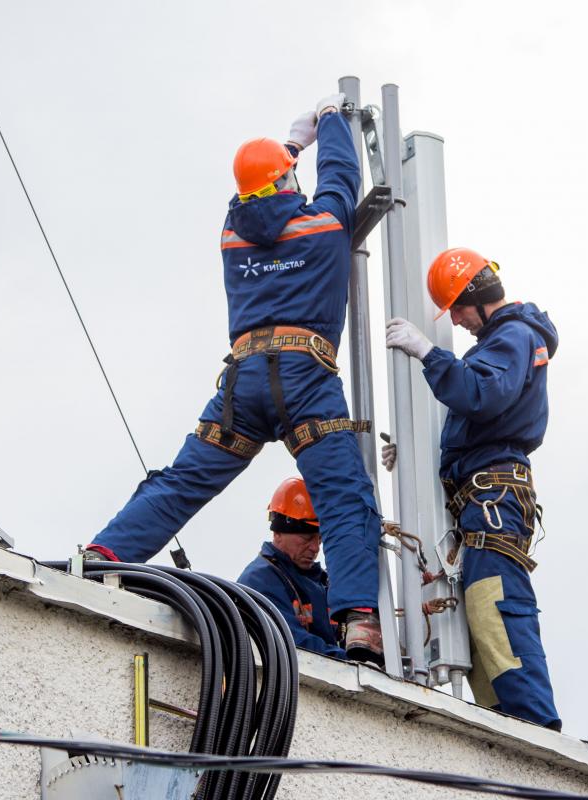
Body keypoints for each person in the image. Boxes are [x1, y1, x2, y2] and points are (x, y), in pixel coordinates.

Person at [85, 94, 384, 666]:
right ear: (289, 181)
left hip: (243, 383)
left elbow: (258, 194)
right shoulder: (322, 227)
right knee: (344, 500)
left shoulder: (233, 235)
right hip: (305, 377)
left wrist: (290, 144)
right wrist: (333, 124)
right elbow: (341, 179)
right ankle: (361, 624)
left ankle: (104, 555)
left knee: (182, 481)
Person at [383, 247, 561, 729]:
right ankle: (505, 722)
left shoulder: (512, 337)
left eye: (457, 310)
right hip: (482, 495)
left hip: (494, 497)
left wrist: (429, 353)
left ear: (474, 297)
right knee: (481, 611)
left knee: (495, 601)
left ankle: (533, 726)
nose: (457, 322)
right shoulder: (506, 341)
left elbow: (480, 394)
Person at [237, 477, 345, 659]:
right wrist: (353, 662)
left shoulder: (324, 583)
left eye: (319, 539)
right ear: (278, 533)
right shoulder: (260, 581)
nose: (315, 548)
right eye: (306, 538)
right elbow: (293, 642)